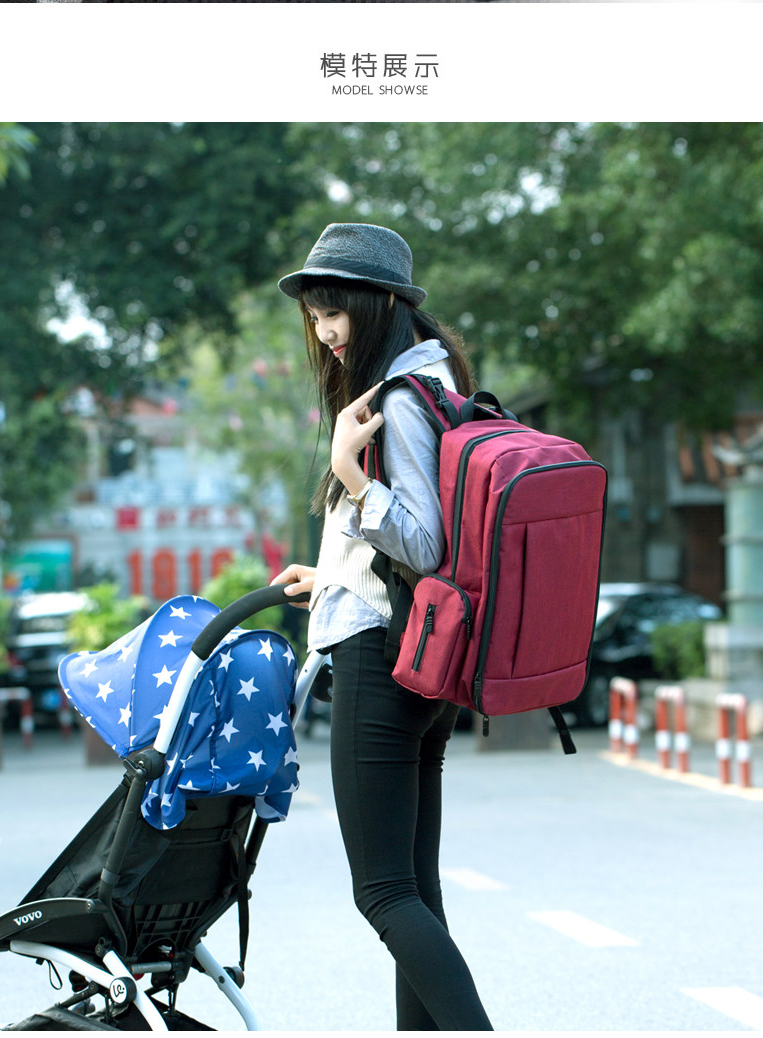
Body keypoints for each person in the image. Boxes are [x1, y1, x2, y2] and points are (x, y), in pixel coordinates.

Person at [272, 223, 493, 1031]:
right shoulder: (436, 380)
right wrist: (329, 577)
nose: (326, 331)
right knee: (414, 890)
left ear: (382, 305)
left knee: (383, 892)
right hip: (417, 658)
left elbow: (423, 542)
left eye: (335, 312)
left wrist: (347, 473)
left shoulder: (398, 399)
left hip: (380, 661)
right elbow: (407, 545)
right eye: (316, 315)